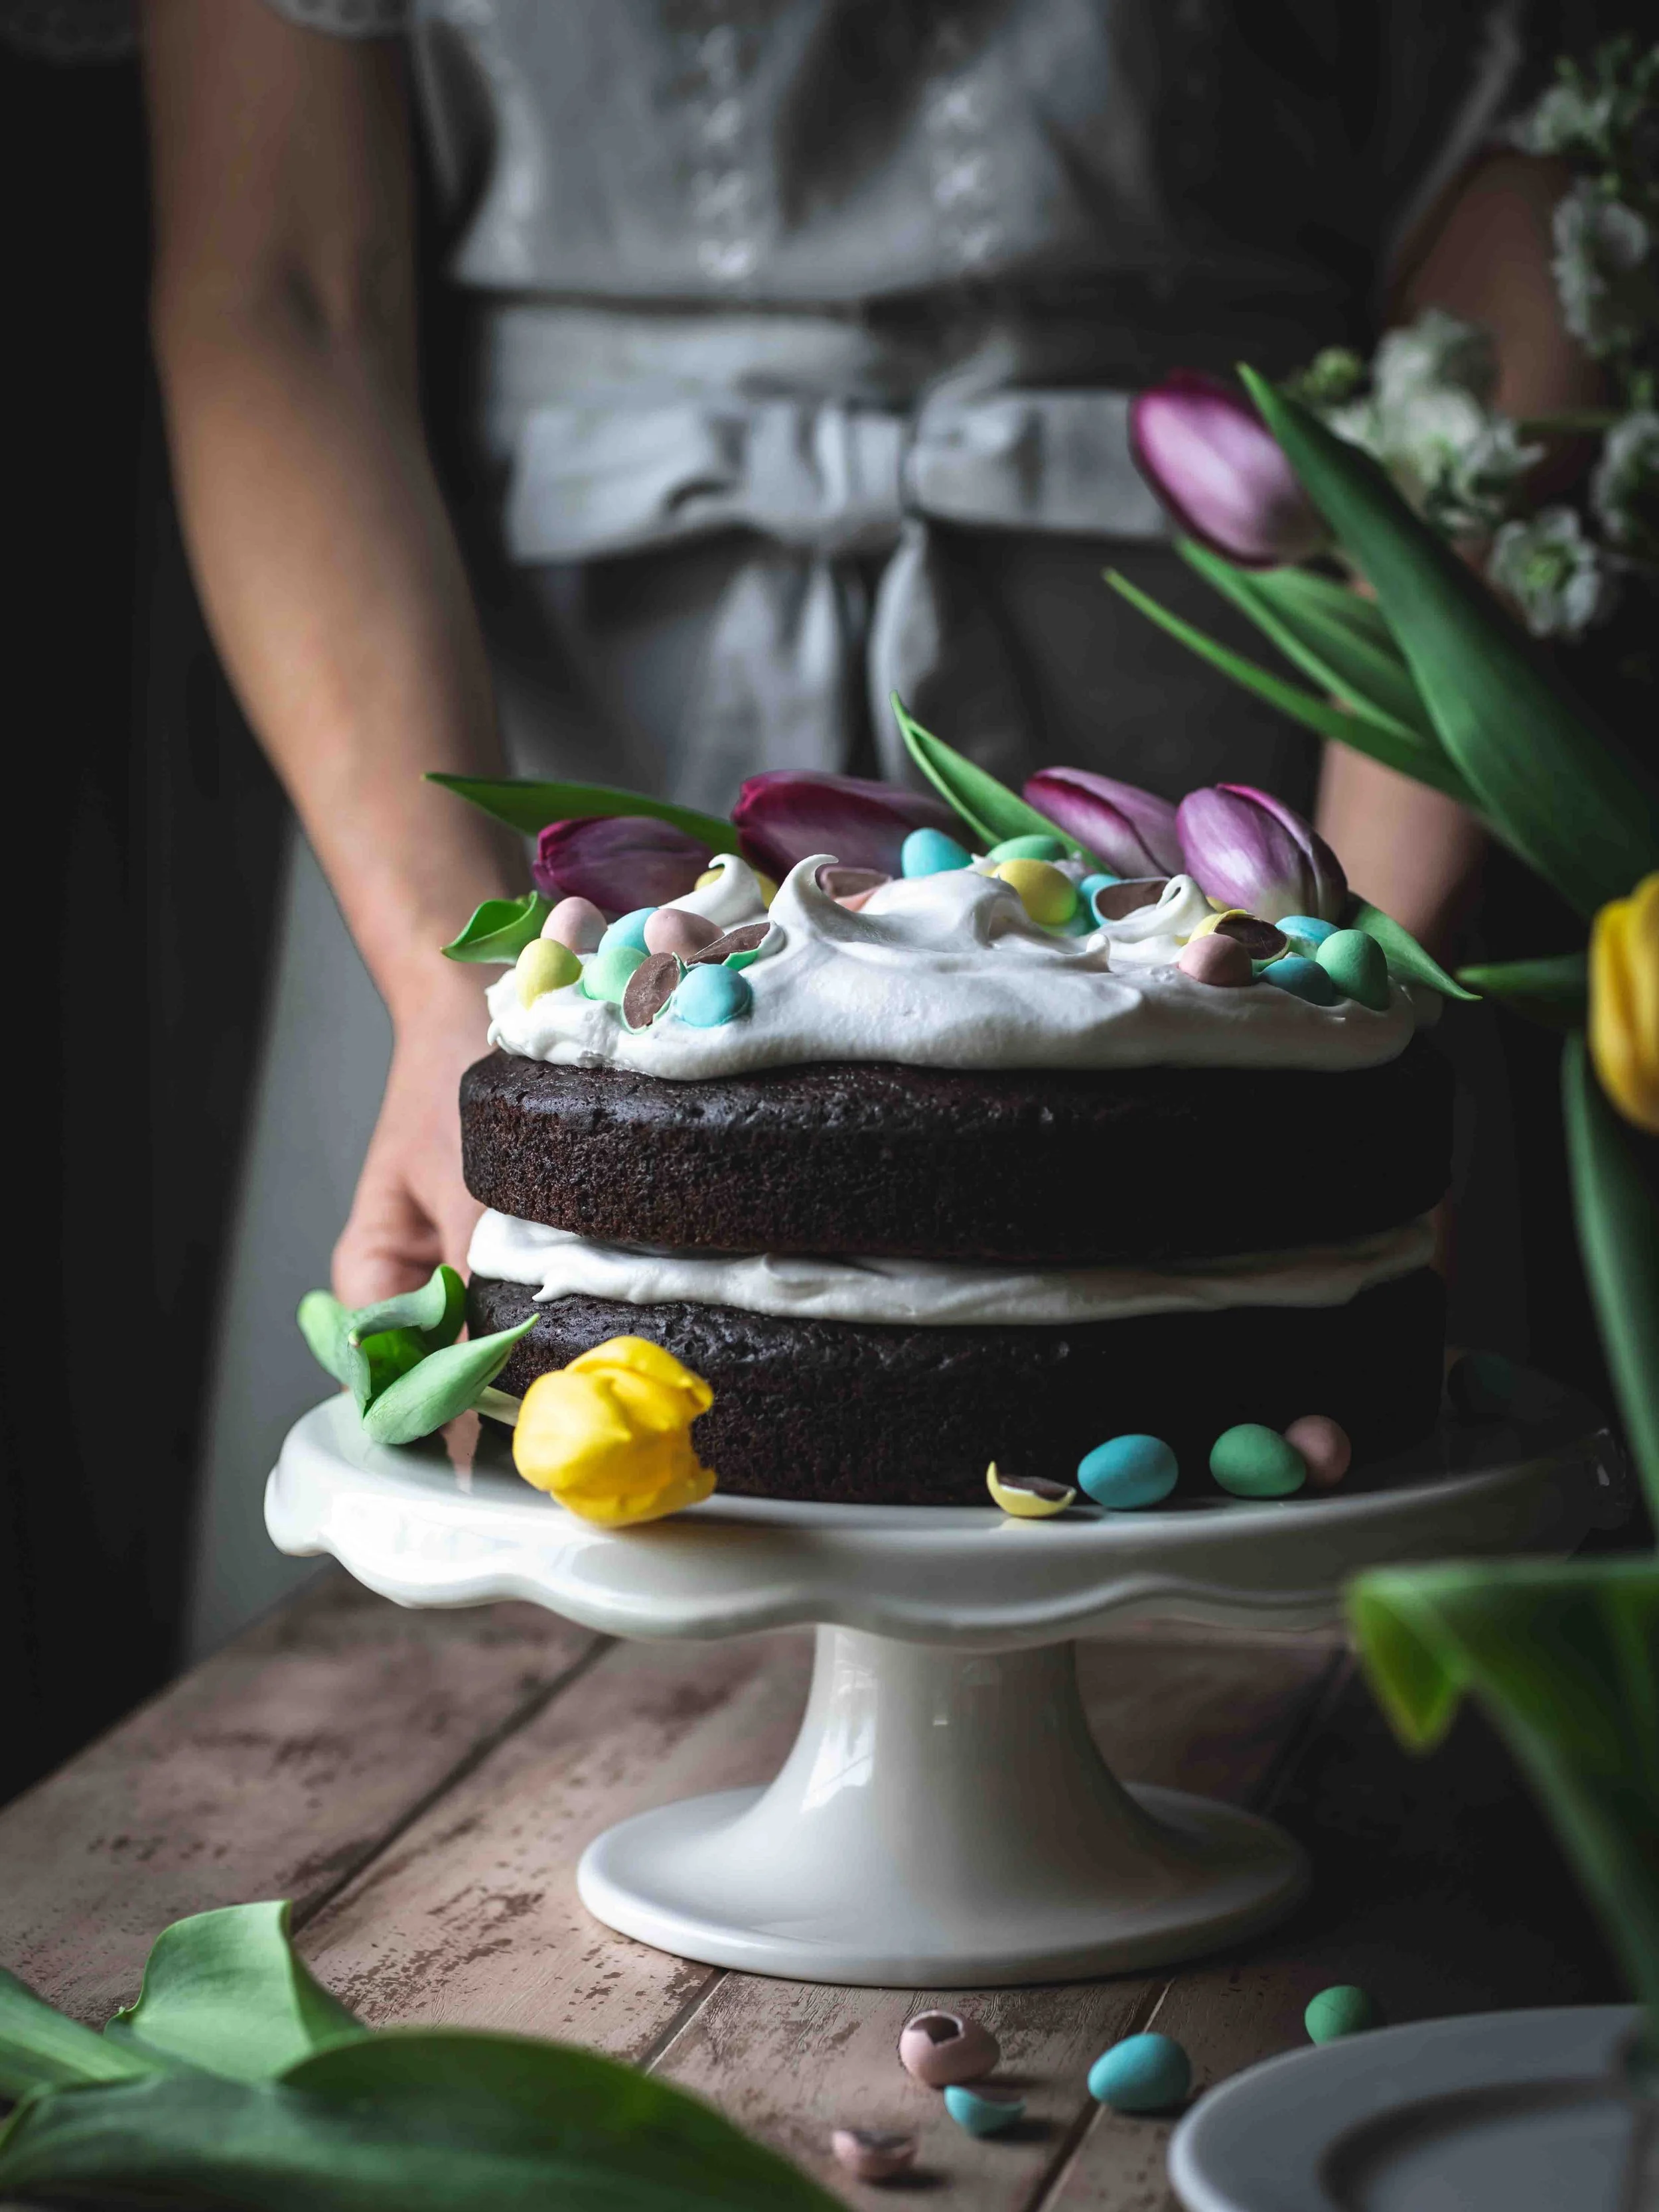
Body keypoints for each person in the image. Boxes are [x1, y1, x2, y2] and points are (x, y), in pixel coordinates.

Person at [1, 0, 1624, 1693]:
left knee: (1284, 1669)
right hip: (516, 809)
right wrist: (445, 979)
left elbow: (1521, 205)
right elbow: (283, 291)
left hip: (1223, 745)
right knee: (464, 1699)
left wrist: (1347, 987)